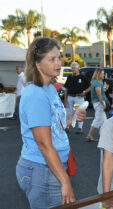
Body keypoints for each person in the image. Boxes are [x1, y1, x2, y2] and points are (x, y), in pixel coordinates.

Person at [16, 38, 86, 208]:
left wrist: (73, 117)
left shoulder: (49, 89)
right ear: (37, 64)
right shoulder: (35, 94)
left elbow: (57, 125)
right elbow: (44, 144)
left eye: (59, 58)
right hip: (43, 170)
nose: (58, 63)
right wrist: (65, 181)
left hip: (49, 168)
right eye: (52, 59)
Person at [64, 62, 90, 134]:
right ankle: (67, 127)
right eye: (72, 68)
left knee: (78, 112)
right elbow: (66, 89)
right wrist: (65, 99)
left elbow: (89, 86)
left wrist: (84, 92)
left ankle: (80, 128)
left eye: (74, 67)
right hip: (70, 97)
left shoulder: (83, 77)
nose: (73, 69)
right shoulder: (70, 77)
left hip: (78, 98)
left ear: (78, 68)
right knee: (68, 112)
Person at [86, 69, 107, 142]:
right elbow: (99, 94)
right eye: (102, 73)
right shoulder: (97, 83)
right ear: (98, 74)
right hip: (98, 103)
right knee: (98, 119)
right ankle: (90, 134)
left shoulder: (96, 82)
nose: (103, 75)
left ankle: (104, 136)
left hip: (97, 103)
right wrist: (102, 104)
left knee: (104, 120)